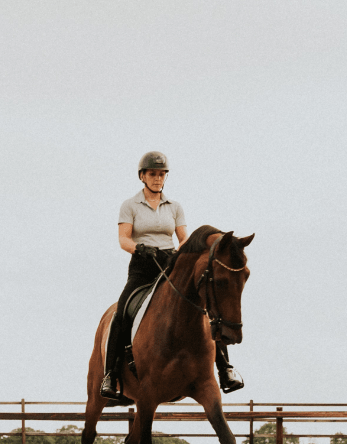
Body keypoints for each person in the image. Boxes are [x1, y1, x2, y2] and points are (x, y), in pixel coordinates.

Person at [99, 151, 244, 399]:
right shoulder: (130, 205)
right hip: (142, 267)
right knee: (122, 312)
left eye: (162, 174)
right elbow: (123, 239)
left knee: (206, 307)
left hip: (169, 264)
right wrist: (140, 248)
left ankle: (225, 369)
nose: (158, 178)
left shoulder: (174, 206)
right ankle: (110, 375)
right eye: (153, 174)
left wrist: (180, 252)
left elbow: (184, 237)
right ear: (142, 176)